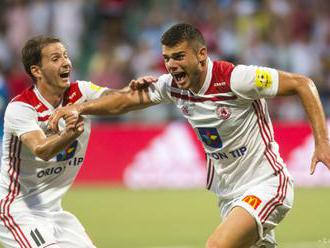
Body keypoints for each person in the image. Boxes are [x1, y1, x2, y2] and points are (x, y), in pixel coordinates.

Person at [49, 23, 330, 248]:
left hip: (267, 184)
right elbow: (124, 101)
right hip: (229, 196)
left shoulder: (235, 79)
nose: (171, 65)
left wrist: (322, 141)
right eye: (167, 58)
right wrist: (79, 108)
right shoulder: (172, 87)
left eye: (179, 56)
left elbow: (302, 84)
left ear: (201, 55)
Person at [0, 36, 149, 248]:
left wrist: (138, 89)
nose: (66, 62)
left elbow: (118, 100)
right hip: (15, 208)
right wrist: (69, 134)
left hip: (53, 211)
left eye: (66, 56)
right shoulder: (22, 108)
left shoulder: (81, 92)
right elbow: (41, 150)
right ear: (37, 70)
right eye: (55, 58)